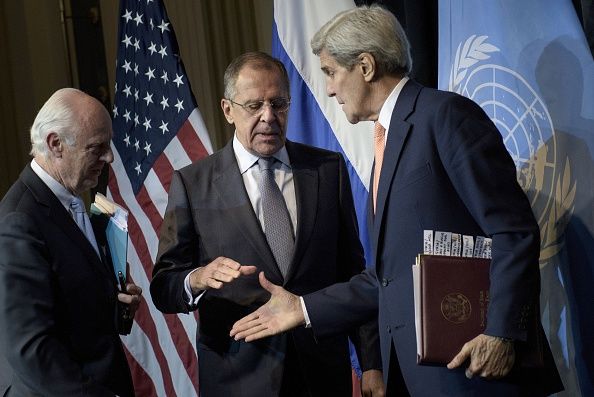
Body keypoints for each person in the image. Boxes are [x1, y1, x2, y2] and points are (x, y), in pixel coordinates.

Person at [230, 5, 564, 396]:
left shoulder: (446, 117)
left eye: (332, 72)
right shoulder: (386, 141)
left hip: (473, 369)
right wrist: (303, 309)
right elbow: (388, 278)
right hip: (413, 373)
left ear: (366, 66)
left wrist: (502, 333)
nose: (330, 88)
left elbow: (513, 229)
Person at [150, 51, 384, 397]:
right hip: (238, 380)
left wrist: (372, 364)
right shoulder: (193, 184)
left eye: (278, 104)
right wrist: (196, 278)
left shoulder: (326, 170)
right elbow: (164, 287)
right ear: (228, 110)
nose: (268, 117)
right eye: (254, 105)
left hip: (320, 374)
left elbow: (352, 273)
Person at [0, 88, 142, 397]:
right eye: (97, 147)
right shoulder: (19, 221)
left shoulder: (76, 202)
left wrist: (115, 302)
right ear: (56, 144)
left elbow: (74, 307)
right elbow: (31, 348)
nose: (110, 157)